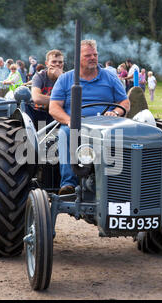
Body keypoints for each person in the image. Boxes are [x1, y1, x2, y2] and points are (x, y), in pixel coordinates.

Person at [49, 39, 130, 195]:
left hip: (106, 124)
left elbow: (124, 101)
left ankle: (120, 183)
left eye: (95, 54)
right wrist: (69, 121)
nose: (93, 58)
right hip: (77, 126)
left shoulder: (110, 77)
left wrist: (116, 112)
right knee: (65, 133)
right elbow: (54, 107)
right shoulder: (66, 79)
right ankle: (68, 184)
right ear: (78, 58)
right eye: (88, 55)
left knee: (126, 136)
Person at [26, 49, 65, 129]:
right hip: (39, 112)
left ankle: (75, 140)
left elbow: (73, 100)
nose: (57, 64)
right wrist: (61, 100)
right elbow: (37, 98)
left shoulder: (66, 77)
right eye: (54, 62)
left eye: (60, 62)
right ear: (47, 64)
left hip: (56, 113)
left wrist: (60, 78)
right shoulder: (39, 76)